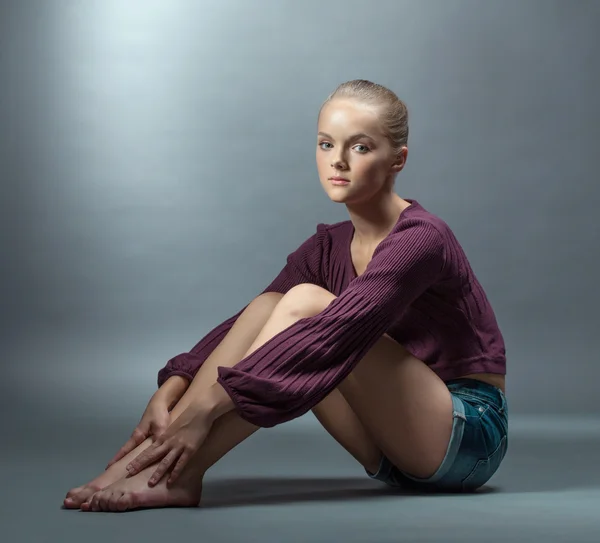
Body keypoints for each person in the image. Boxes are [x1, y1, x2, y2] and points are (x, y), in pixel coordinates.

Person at [63, 79, 508, 513]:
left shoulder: (422, 238)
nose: (338, 162)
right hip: (389, 449)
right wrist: (177, 382)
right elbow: (247, 324)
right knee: (270, 306)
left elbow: (339, 330)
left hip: (467, 435)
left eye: (360, 147)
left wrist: (200, 412)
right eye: (325, 144)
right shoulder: (327, 247)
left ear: (398, 159)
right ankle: (151, 460)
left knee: (306, 307)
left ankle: (179, 473)